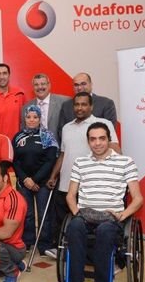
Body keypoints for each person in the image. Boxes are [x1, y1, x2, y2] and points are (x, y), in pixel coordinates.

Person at [65, 122, 143, 282]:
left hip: (110, 218)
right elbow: (70, 195)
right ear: (88, 141)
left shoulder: (125, 162)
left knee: (105, 231)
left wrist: (122, 215)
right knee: (74, 227)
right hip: (85, 215)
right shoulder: (80, 162)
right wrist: (76, 212)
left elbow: (138, 198)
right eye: (93, 139)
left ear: (109, 139)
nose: (97, 143)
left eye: (102, 138)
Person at [45, 92, 120, 259]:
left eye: (84, 104)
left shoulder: (102, 124)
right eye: (77, 104)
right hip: (66, 184)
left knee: (88, 226)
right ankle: (64, 250)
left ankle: (92, 257)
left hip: (90, 186)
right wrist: (53, 176)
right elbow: (63, 154)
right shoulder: (67, 127)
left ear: (91, 106)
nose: (80, 108)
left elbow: (116, 150)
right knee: (65, 222)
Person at [13, 105, 58, 254]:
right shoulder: (18, 137)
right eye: (28, 117)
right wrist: (25, 179)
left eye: (35, 117)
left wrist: (35, 180)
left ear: (40, 119)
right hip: (23, 182)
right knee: (27, 214)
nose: (31, 120)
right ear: (24, 119)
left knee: (44, 214)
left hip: (42, 183)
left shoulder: (48, 136)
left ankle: (44, 245)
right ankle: (27, 241)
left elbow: (50, 160)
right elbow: (15, 161)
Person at [0, 63, 27, 139]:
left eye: (4, 73)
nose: (2, 77)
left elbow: (27, 119)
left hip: (18, 141)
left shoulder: (20, 94)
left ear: (9, 75)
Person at [22, 74, 70, 145]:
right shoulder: (26, 107)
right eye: (36, 85)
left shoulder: (64, 102)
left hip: (58, 148)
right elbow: (24, 130)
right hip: (35, 148)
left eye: (43, 84)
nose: (40, 87)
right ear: (33, 87)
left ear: (49, 85)